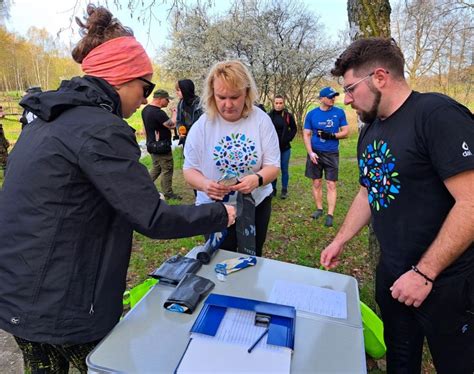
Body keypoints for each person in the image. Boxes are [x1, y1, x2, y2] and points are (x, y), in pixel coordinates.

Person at [0, 5, 235, 373]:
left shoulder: (47, 120)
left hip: (19, 296)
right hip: (65, 307)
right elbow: (153, 217)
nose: (145, 98)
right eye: (145, 87)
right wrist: (220, 214)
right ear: (123, 78)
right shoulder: (101, 128)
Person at [320, 37, 474, 373]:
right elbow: (367, 192)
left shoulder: (436, 114)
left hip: (446, 281)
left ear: (379, 77)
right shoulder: (370, 129)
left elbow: (471, 202)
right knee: (400, 362)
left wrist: (424, 273)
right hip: (392, 276)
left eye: (350, 89)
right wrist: (340, 239)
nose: (346, 100)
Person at [183, 60, 280, 257]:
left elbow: (273, 166)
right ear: (212, 94)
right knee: (219, 258)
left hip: (255, 205)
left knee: (251, 255)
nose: (228, 104)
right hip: (214, 208)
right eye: (221, 97)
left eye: (235, 97)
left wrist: (257, 179)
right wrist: (204, 184)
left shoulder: (261, 120)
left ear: (246, 93)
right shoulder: (202, 125)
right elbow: (189, 170)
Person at [303, 86, 349, 227]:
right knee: (316, 182)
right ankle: (319, 208)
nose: (333, 99)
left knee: (331, 183)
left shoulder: (339, 112)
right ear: (322, 98)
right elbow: (306, 134)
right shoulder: (311, 114)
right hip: (315, 152)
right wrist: (310, 152)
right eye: (330, 97)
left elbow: (346, 132)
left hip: (331, 153)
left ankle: (330, 214)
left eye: (334, 96)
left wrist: (331, 135)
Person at [142, 89, 182, 200]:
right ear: (160, 99)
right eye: (167, 99)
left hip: (151, 145)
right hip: (161, 147)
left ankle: (144, 187)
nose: (168, 102)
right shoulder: (158, 113)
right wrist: (175, 113)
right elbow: (172, 125)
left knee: (156, 168)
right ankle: (168, 193)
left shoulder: (145, 110)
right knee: (167, 169)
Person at [268, 95, 297, 199]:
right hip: (272, 149)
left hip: (285, 148)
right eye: (276, 103)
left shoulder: (288, 116)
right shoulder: (269, 116)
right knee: (273, 170)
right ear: (273, 103)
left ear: (283, 104)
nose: (278, 105)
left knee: (284, 169)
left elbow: (294, 129)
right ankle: (273, 189)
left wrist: (287, 139)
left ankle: (284, 190)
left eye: (280, 103)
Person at [175, 79, 202, 146]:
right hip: (186, 140)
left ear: (185, 89)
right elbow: (179, 121)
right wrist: (180, 131)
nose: (176, 93)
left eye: (178, 90)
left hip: (199, 140)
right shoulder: (181, 104)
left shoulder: (200, 104)